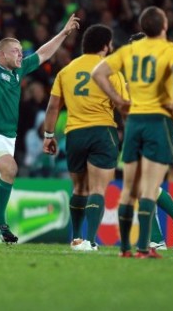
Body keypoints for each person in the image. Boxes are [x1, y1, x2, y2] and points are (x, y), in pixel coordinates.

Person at [0, 0, 80, 247]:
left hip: (8, 138)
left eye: (20, 51)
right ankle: (0, 222)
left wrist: (64, 33)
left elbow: (43, 53)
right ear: (2, 53)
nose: (20, 54)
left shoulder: (18, 71)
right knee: (11, 169)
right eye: (16, 51)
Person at [92, 6, 173, 258]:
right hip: (159, 122)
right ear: (164, 26)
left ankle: (127, 247)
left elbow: (97, 73)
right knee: (148, 188)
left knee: (129, 187)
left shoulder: (127, 53)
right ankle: (150, 245)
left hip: (134, 122)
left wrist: (119, 102)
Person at [42, 24, 126, 251]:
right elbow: (124, 107)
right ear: (105, 45)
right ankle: (90, 240)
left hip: (75, 134)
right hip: (102, 132)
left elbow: (52, 107)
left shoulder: (67, 71)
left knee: (79, 189)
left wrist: (49, 135)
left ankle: (76, 238)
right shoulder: (111, 70)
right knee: (98, 189)